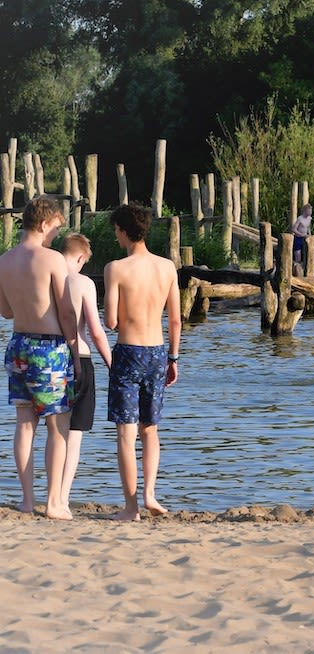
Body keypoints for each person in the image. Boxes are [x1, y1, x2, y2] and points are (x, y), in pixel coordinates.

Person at [0, 196, 79, 518]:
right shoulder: (52, 259)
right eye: (56, 229)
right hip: (49, 348)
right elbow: (66, 310)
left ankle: (27, 501)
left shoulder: (4, 260)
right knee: (57, 425)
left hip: (18, 343)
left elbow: (5, 311)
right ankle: (54, 503)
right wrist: (75, 347)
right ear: (45, 224)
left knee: (24, 425)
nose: (56, 236)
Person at [104, 204, 181, 521]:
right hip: (158, 352)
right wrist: (173, 358)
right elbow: (175, 320)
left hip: (128, 352)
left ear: (123, 231)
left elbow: (110, 321)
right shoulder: (167, 268)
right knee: (150, 429)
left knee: (126, 433)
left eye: (116, 230)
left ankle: (131, 507)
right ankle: (150, 493)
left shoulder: (116, 268)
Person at [60, 233, 113, 511]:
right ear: (80, 258)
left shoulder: (48, 278)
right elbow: (95, 331)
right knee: (75, 434)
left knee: (54, 430)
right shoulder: (83, 283)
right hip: (80, 356)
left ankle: (45, 495)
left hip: (51, 355)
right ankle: (63, 498)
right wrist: (112, 363)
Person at [291, 203, 312, 276]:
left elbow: (308, 227)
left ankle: (305, 270)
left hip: (305, 239)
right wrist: (301, 234)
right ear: (305, 211)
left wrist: (309, 234)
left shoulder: (309, 218)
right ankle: (297, 270)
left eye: (311, 211)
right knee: (298, 255)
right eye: (309, 211)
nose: (310, 212)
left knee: (307, 254)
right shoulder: (300, 218)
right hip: (298, 238)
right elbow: (293, 229)